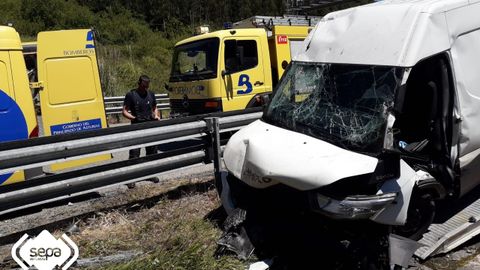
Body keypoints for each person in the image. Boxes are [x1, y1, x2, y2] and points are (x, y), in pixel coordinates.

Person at [122, 75, 160, 186]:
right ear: (139, 83)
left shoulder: (151, 94)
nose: (145, 88)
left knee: (152, 152)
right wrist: (134, 118)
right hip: (136, 127)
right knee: (134, 153)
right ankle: (131, 178)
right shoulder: (131, 95)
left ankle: (150, 173)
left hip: (150, 126)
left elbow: (155, 107)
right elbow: (124, 111)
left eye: (147, 86)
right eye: (144, 86)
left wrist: (156, 115)